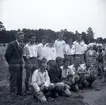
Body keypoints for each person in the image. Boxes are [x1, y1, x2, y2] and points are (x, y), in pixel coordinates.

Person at [5, 31, 24, 96]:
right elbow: (7, 55)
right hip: (13, 64)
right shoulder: (11, 44)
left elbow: (21, 55)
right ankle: (12, 93)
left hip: (20, 64)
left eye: (23, 37)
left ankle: (19, 92)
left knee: (19, 78)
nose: (22, 38)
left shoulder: (22, 44)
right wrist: (10, 63)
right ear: (17, 36)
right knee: (13, 79)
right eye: (21, 36)